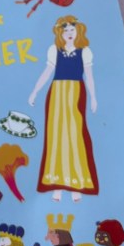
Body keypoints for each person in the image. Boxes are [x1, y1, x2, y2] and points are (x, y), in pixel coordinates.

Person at [28, 14, 99, 201]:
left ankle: (76, 185)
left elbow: (89, 76)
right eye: (65, 30)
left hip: (76, 92)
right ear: (60, 32)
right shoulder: (54, 50)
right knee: (56, 136)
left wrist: (93, 97)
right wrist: (35, 91)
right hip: (57, 93)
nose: (69, 32)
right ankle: (57, 185)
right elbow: (47, 72)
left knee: (75, 135)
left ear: (78, 30)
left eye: (72, 29)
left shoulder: (84, 51)